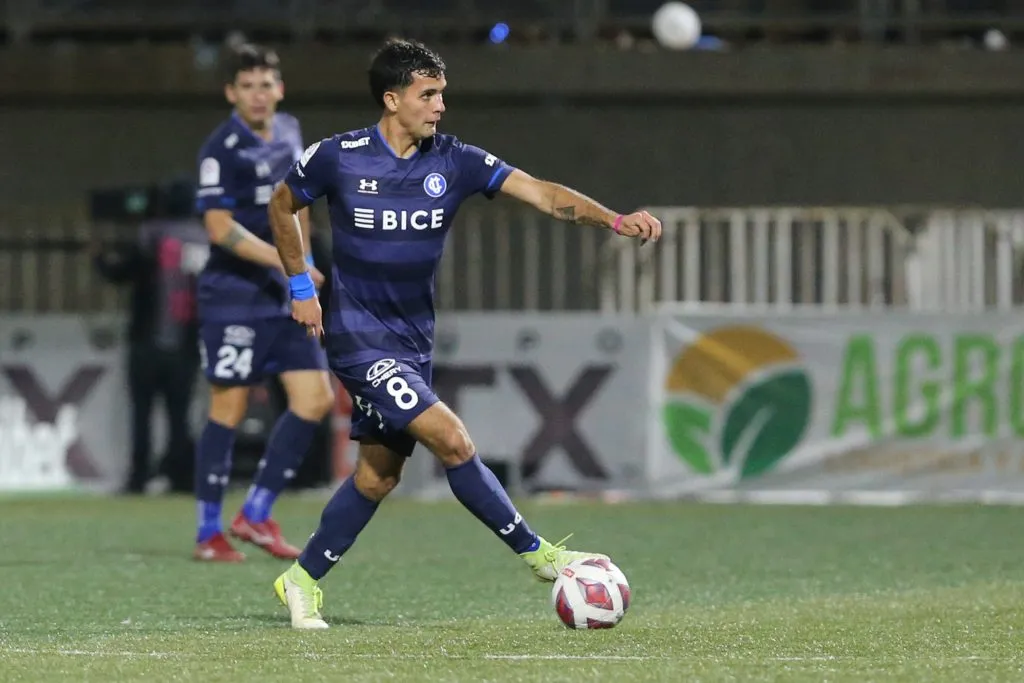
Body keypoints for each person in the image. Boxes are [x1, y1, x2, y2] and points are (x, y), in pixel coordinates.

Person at [267, 38, 662, 629]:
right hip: (357, 338)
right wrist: (300, 287)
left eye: (443, 95)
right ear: (392, 98)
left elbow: (543, 195)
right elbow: (280, 203)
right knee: (453, 440)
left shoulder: (454, 161)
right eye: (428, 95)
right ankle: (539, 555)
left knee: (378, 476)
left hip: (411, 340)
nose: (439, 107)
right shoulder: (339, 155)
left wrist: (611, 218)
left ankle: (300, 580)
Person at [191, 43, 334, 563]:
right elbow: (217, 228)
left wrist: (303, 272)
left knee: (314, 400)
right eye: (247, 86)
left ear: (280, 88)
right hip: (233, 297)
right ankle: (208, 532)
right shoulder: (220, 148)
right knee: (228, 408)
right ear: (231, 93)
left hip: (283, 293)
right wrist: (286, 262)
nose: (258, 94)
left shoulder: (292, 132)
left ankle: (254, 514)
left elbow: (297, 208)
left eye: (266, 84)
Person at [91, 180, 206, 495]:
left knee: (141, 413)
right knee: (179, 415)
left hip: (146, 340)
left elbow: (124, 272)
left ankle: (138, 477)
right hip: (186, 342)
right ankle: (180, 477)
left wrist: (99, 258)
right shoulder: (204, 239)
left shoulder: (151, 233)